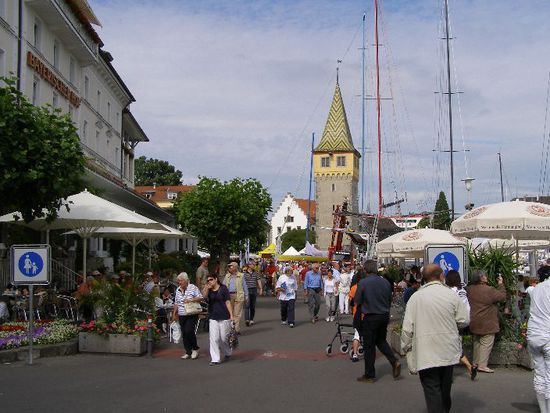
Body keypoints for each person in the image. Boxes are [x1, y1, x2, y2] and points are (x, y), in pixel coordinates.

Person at [401, 264, 469, 413]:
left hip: (425, 351)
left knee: (432, 390)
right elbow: (464, 320)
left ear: (423, 279)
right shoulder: (451, 295)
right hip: (448, 349)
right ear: (441, 276)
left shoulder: (416, 297)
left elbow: (407, 328)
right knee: (445, 388)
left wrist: (405, 347)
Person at [354, 260, 400, 383]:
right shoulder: (385, 282)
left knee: (369, 346)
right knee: (381, 340)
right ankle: (394, 360)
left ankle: (370, 374)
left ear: (365, 270)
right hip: (384, 315)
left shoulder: (363, 282)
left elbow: (357, 300)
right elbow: (390, 298)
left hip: (371, 316)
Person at [467, 270, 506, 373]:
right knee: (486, 342)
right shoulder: (489, 290)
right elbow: (502, 297)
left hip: (474, 320)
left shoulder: (470, 289)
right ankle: (482, 365)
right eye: (485, 276)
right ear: (481, 278)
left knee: (477, 342)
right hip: (487, 321)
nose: (486, 277)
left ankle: (475, 363)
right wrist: (501, 284)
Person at [445, 270, 477, 380]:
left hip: (452, 323)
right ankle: (469, 367)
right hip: (463, 322)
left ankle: (449, 374)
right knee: (456, 345)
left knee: (450, 347)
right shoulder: (462, 291)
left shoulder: (450, 292)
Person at [527, 277, 550, 413]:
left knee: (539, 373)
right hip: (547, 333)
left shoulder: (537, 288)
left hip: (533, 333)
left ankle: (543, 410)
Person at [203, 274, 234, 366]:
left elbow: (228, 302)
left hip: (224, 316)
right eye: (208, 280)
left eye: (211, 279)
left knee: (224, 338)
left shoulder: (223, 288)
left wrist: (231, 315)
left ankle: (228, 352)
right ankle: (215, 359)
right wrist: (206, 288)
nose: (209, 281)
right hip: (213, 317)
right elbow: (204, 297)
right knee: (214, 338)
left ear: (216, 279)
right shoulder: (209, 290)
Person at [171, 272, 203, 360]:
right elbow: (176, 303)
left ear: (186, 280)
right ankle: (188, 351)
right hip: (181, 314)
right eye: (178, 281)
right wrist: (174, 314)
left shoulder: (193, 287)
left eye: (180, 281)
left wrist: (191, 299)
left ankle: (195, 348)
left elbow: (201, 297)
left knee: (189, 330)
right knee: (184, 333)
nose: (179, 283)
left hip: (191, 313)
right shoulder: (177, 290)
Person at [223, 262, 249, 334]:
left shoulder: (241, 275)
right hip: (229, 296)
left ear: (235, 267)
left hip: (238, 295)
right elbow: (223, 286)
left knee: (237, 314)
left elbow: (244, 286)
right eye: (229, 267)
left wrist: (246, 296)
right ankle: (230, 328)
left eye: (230, 267)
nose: (229, 268)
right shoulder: (227, 276)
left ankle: (236, 329)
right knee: (229, 313)